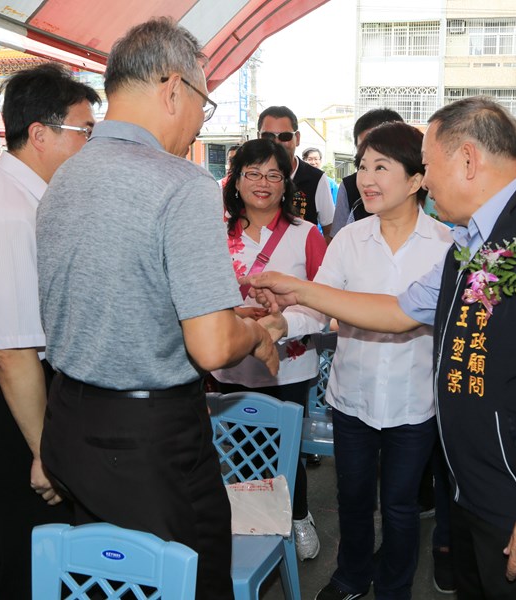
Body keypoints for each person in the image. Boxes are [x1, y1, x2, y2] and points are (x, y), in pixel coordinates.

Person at [245, 96, 516, 599]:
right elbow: (399, 310)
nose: (428, 179)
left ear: (466, 159)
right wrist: (298, 290)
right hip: (482, 491)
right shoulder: (473, 242)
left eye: (429, 165)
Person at [36, 19, 278, 600]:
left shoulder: (64, 177)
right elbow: (213, 347)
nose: (200, 120)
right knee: (188, 584)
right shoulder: (182, 183)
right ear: (173, 88)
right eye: (204, 103)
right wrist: (256, 334)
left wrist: (220, 322)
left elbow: (120, 298)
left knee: (104, 586)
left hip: (70, 421)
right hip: (148, 442)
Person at [262, 121, 451, 600]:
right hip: (351, 398)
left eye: (381, 167)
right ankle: (350, 577)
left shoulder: (448, 246)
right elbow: (319, 306)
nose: (367, 178)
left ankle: (394, 587)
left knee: (402, 506)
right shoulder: (348, 239)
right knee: (352, 499)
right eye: (363, 165)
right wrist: (282, 325)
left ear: (416, 180)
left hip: (415, 403)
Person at [0, 63, 98, 600]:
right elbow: (12, 352)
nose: (91, 144)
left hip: (19, 393)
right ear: (40, 133)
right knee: (33, 561)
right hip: (10, 402)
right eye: (84, 131)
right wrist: (44, 452)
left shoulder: (23, 199)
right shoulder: (10, 214)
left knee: (25, 552)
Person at [213, 138, 327, 561]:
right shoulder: (214, 235)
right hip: (233, 363)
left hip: (290, 365)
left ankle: (297, 516)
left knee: (286, 451)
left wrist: (282, 322)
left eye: (273, 174)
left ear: (286, 184)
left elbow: (324, 303)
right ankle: (252, 522)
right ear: (236, 181)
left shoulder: (307, 235)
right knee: (241, 449)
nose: (263, 183)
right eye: (253, 173)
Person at [258, 106, 334, 238]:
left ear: (297, 138)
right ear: (258, 137)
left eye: (285, 136)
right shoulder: (248, 178)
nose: (276, 142)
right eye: (268, 136)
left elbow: (330, 231)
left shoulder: (316, 179)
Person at [330, 108, 404, 237]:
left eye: (380, 147)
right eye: (364, 147)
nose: (370, 154)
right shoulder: (350, 188)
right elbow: (337, 239)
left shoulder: (428, 187)